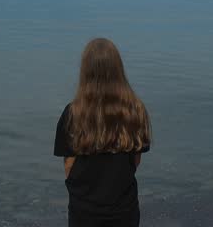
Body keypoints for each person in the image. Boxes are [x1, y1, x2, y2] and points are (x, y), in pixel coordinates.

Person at [53, 38, 152, 227]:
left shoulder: (73, 113)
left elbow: (68, 166)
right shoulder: (135, 110)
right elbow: (136, 159)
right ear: (118, 70)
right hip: (124, 208)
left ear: (85, 72)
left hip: (84, 210)